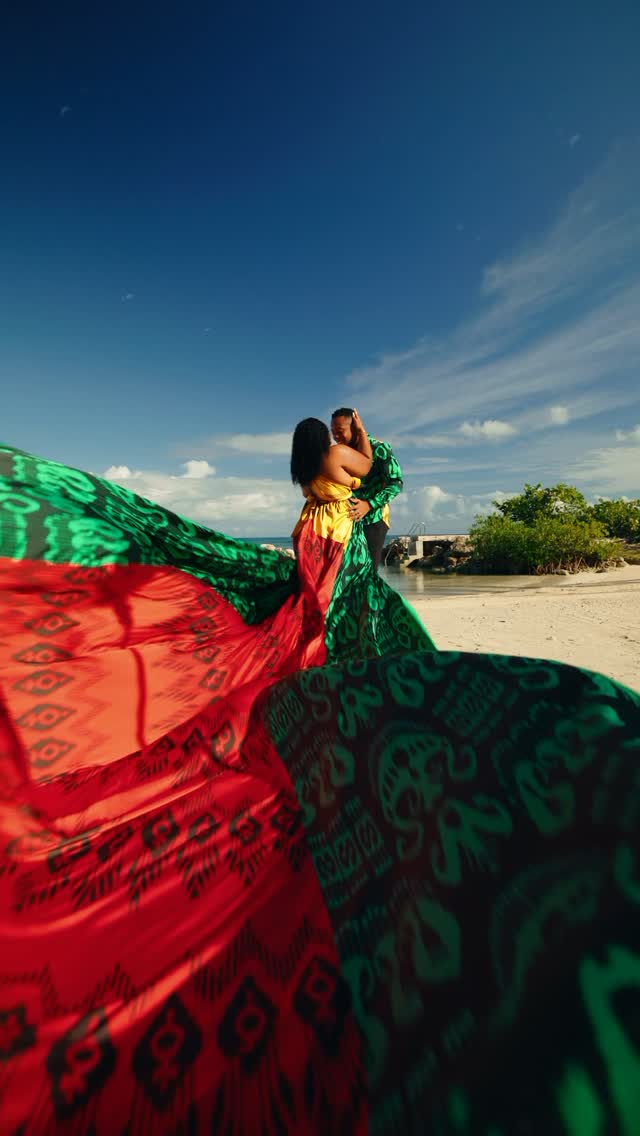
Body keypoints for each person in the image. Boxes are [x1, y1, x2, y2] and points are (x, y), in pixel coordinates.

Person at [1, 436, 640, 1136]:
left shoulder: (310, 509)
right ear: (328, 455)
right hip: (333, 627)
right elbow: (382, 477)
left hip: (317, 619)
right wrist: (370, 444)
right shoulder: (343, 494)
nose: (350, 452)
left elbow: (360, 514)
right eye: (340, 446)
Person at [331, 406, 403, 569]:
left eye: (340, 431)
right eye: (333, 432)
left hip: (374, 519)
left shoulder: (380, 449)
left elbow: (396, 482)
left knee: (368, 574)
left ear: (355, 428)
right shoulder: (340, 453)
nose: (336, 436)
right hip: (347, 520)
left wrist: (369, 504)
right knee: (345, 574)